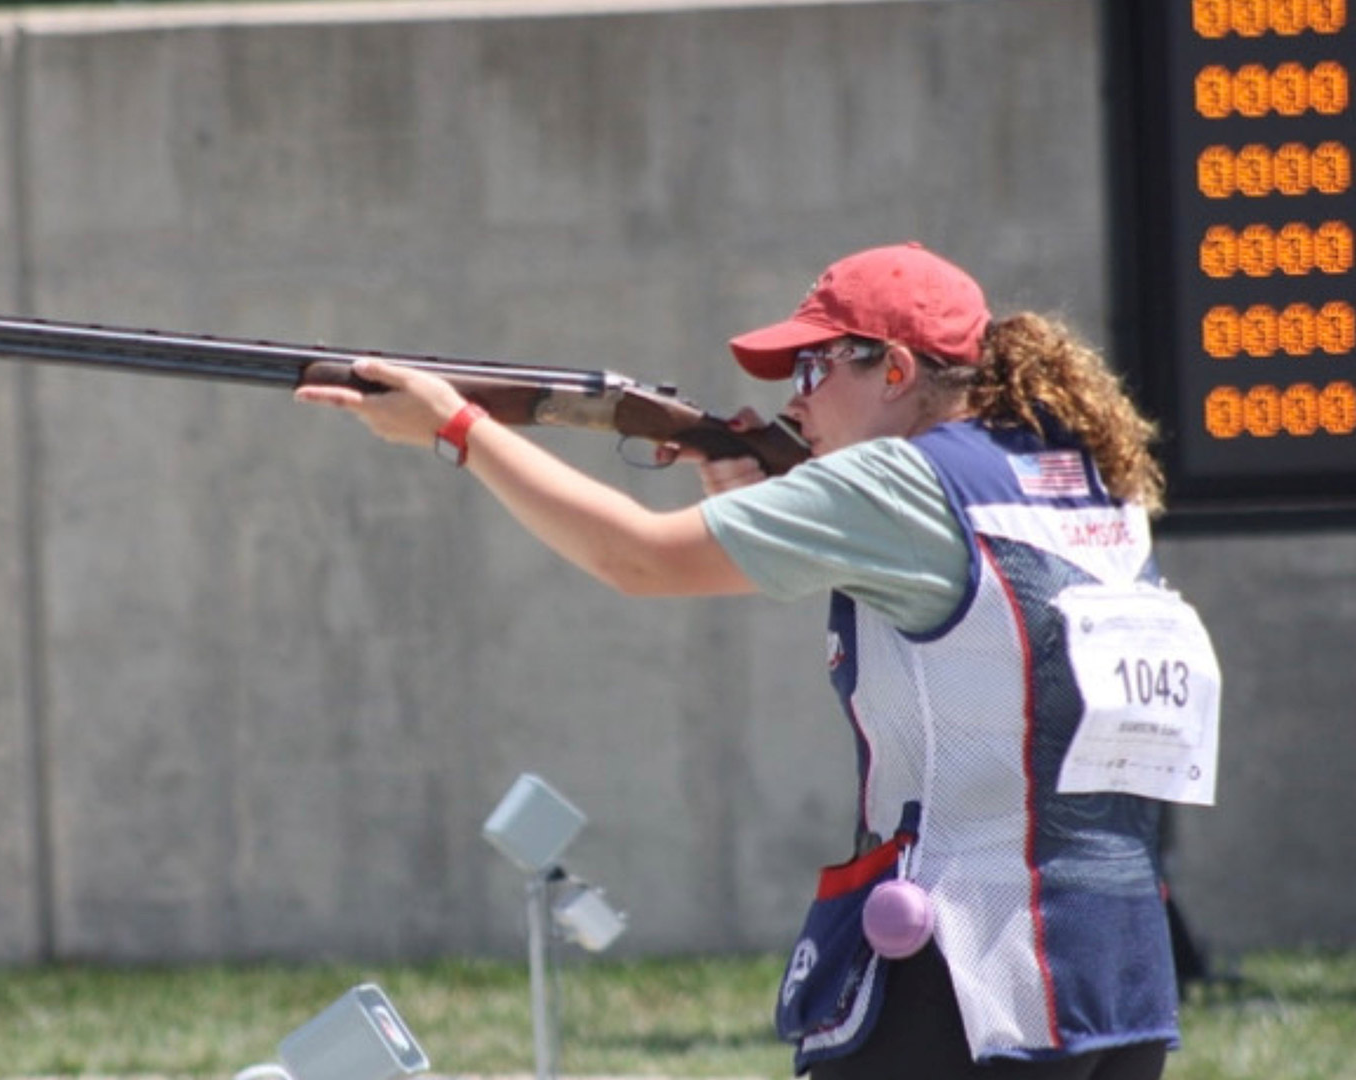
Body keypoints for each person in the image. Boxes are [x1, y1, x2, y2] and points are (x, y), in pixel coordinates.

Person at [294, 242, 1219, 1079]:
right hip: (1112, 976)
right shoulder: (1086, 476)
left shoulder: (898, 480)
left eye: (814, 365)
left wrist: (459, 429)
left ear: (895, 369)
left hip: (966, 980)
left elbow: (637, 558)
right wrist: (781, 511)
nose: (795, 397)